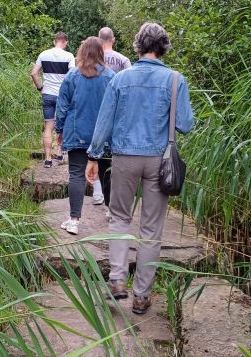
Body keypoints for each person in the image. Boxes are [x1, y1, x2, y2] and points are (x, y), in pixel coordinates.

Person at [85, 22, 194, 315]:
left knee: (120, 218)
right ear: (164, 46)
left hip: (124, 158)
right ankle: (142, 296)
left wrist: (93, 157)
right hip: (160, 160)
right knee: (151, 229)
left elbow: (104, 121)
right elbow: (185, 124)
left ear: (138, 45)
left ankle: (117, 281)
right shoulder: (175, 80)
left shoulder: (121, 79)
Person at [54, 37, 115, 235]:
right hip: (104, 136)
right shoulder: (111, 77)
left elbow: (62, 106)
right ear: (100, 53)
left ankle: (74, 220)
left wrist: (59, 130)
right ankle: (112, 214)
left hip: (77, 132)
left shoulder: (72, 76)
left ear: (82, 52)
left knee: (76, 175)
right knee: (107, 174)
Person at [91, 27, 132, 208]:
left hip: (96, 111)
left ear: (99, 39)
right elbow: (131, 85)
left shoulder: (93, 60)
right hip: (118, 115)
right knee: (113, 156)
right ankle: (112, 198)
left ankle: (97, 191)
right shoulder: (123, 60)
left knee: (96, 151)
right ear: (113, 39)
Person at [31, 32, 75, 168]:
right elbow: (72, 76)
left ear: (54, 41)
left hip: (47, 94)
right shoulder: (69, 56)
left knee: (48, 127)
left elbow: (34, 73)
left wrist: (40, 87)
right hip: (63, 96)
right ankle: (60, 153)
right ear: (65, 42)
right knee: (61, 126)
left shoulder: (43, 54)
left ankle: (48, 159)